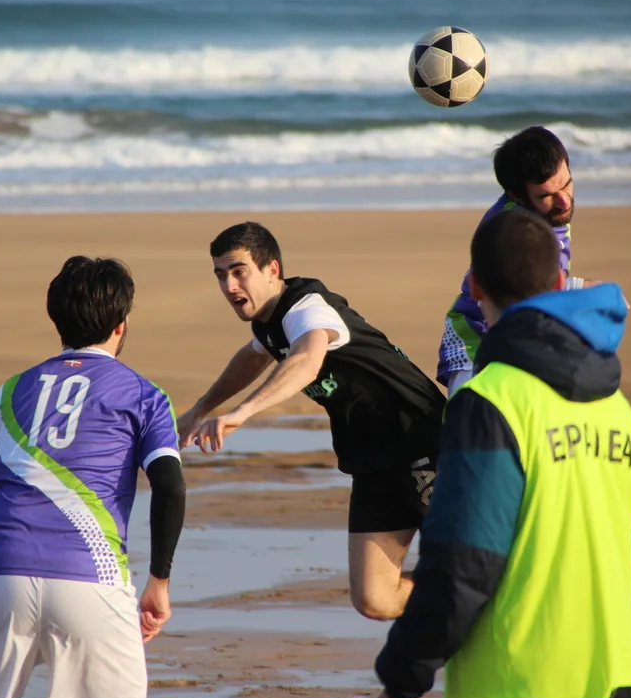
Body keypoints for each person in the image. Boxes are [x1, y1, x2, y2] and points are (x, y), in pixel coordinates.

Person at [374, 209, 631, 698]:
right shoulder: (615, 403)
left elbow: (464, 564)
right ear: (561, 282)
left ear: (475, 287)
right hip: (616, 671)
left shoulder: (488, 401)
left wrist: (402, 679)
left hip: (520, 679)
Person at [0, 256, 186, 698]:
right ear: (121, 326)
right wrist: (159, 584)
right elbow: (169, 486)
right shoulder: (145, 395)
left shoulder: (12, 391)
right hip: (92, 579)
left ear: (57, 322)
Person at [176, 221, 446, 621]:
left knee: (471, 563)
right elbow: (253, 356)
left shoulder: (308, 308)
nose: (230, 286)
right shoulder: (270, 321)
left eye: (239, 271)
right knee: (375, 598)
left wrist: (242, 413)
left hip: (422, 444)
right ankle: (456, 589)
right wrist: (201, 408)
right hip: (372, 462)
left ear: (272, 269)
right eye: (221, 275)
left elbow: (306, 359)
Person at [438, 126, 601, 394]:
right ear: (516, 195)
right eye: (546, 195)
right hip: (476, 339)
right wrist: (582, 287)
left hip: (519, 334)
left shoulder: (548, 212)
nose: (563, 201)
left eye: (566, 184)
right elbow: (527, 289)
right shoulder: (513, 229)